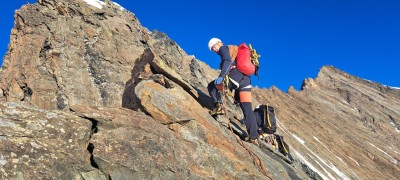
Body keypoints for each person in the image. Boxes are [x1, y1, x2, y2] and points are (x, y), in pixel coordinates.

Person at [207, 38, 259, 145]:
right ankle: (254, 137)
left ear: (218, 43)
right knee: (247, 109)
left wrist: (222, 76)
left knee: (212, 86)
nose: (215, 50)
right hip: (246, 81)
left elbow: (227, 60)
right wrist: (236, 97)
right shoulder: (234, 50)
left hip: (235, 76)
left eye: (214, 48)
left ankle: (219, 107)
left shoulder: (223, 48)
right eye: (213, 50)